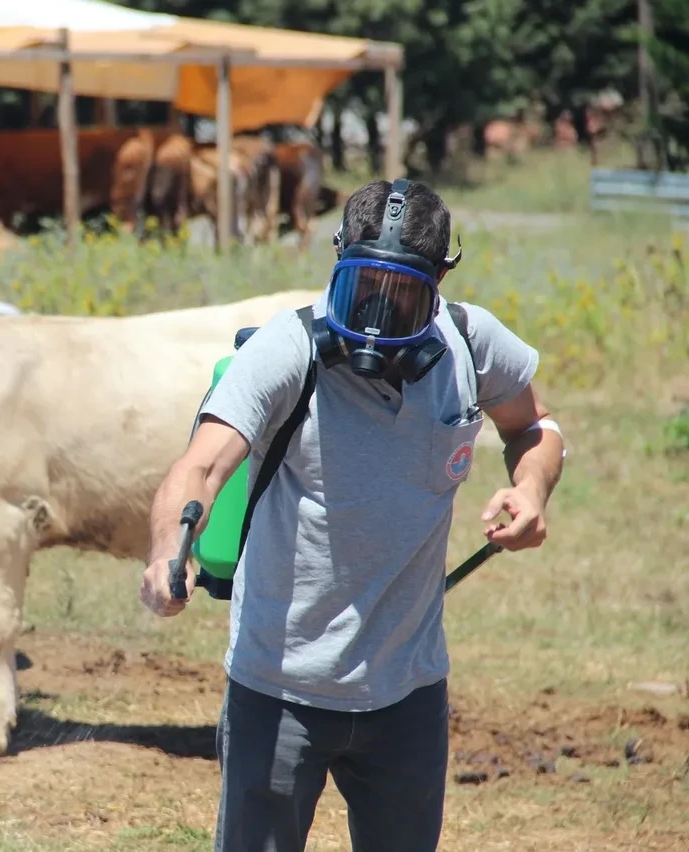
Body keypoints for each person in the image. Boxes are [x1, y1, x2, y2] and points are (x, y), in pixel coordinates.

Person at [139, 178, 566, 852]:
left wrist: (531, 490)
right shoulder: (288, 349)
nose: (380, 311)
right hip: (277, 690)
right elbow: (200, 465)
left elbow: (535, 426)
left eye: (405, 292)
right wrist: (169, 551)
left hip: (408, 692)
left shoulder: (471, 344)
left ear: (439, 281)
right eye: (364, 283)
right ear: (337, 260)